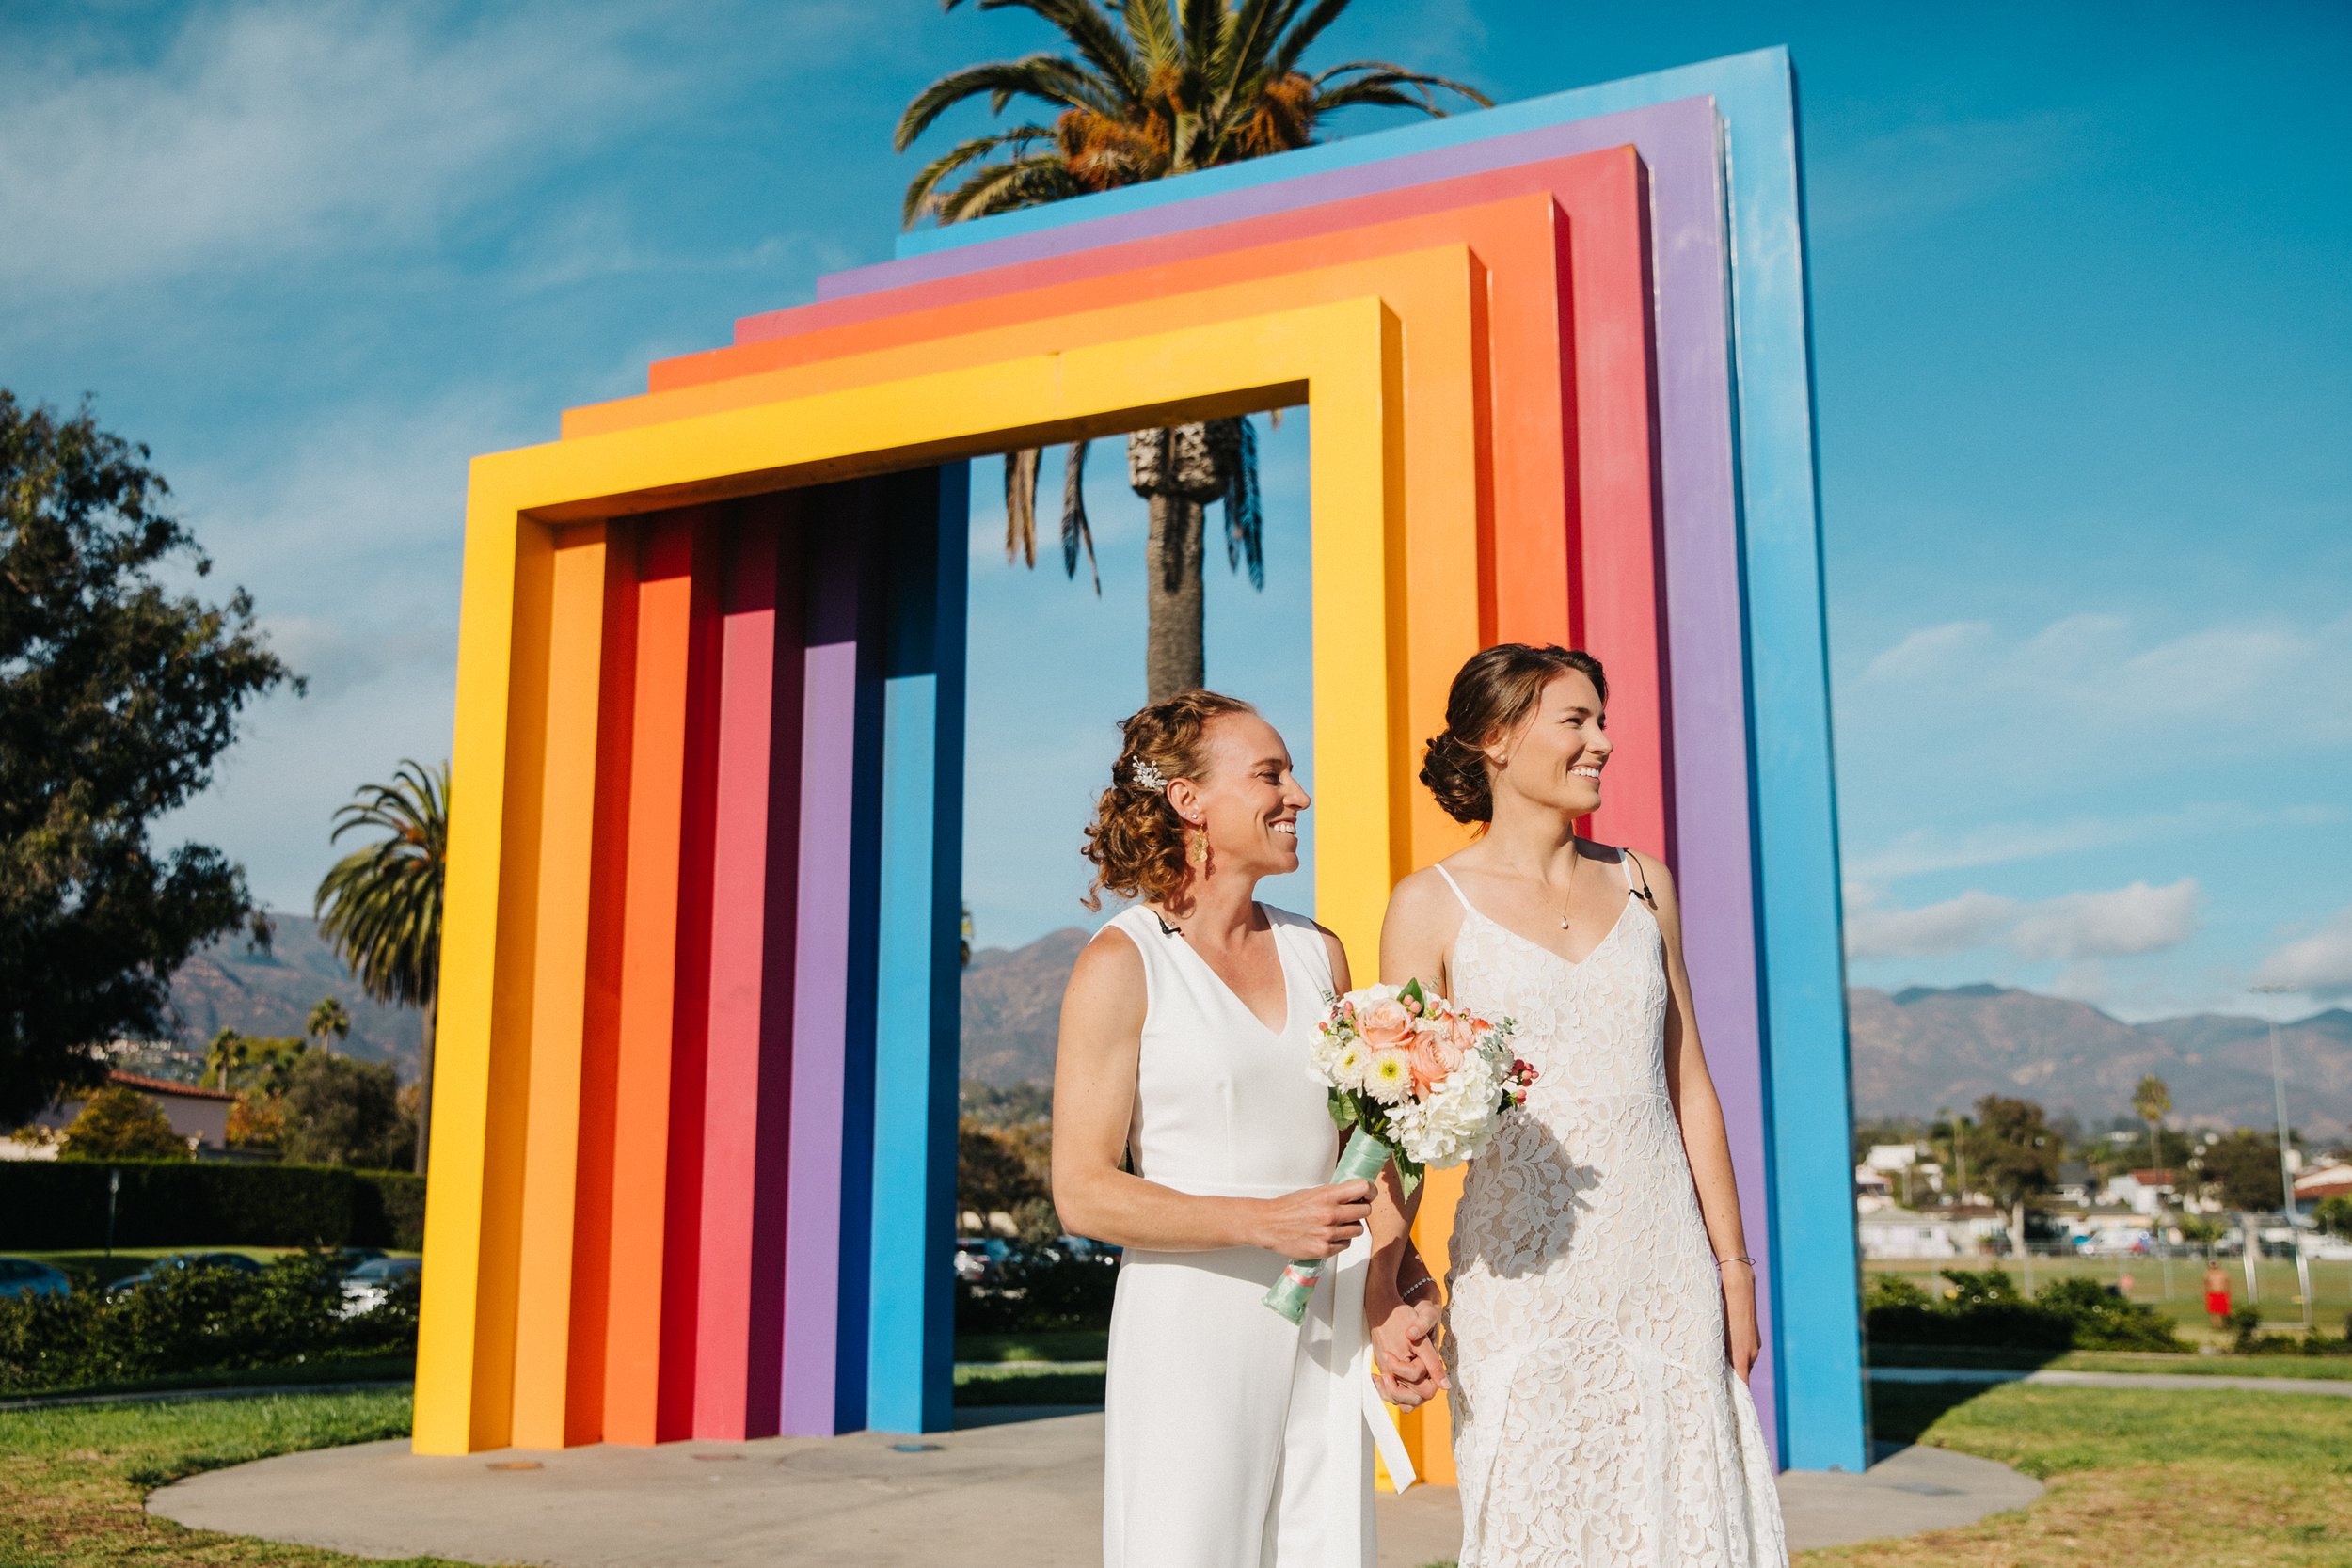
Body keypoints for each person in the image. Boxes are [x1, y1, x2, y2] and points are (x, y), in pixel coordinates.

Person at [1369, 643, 1787, 1567]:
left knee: (1679, 1522)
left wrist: (1733, 1267)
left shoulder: (1643, 882)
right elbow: (1398, 1122)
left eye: (1602, 719)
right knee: (1535, 1523)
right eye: (1577, 720)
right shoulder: (1427, 905)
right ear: (1496, 739)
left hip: (1663, 1264)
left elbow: (1689, 1084)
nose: (1603, 739)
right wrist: (1383, 1285)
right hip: (1518, 1275)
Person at [1053, 689, 1393, 1568]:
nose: (1299, 795)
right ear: (1189, 800)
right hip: (1191, 1329)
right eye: (1271, 774)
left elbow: (1372, 1145)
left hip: (1326, 1319)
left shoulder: (1322, 953)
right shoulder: (1123, 962)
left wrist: (1396, 1285)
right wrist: (1261, 1220)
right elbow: (1083, 1190)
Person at [2203, 1261, 2232, 1328]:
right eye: (2212, 1264)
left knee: (2225, 1312)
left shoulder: (2224, 1274)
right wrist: (2205, 1296)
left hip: (2223, 1294)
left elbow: (2228, 1284)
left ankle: (2225, 1325)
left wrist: (2229, 1294)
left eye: (2215, 1263)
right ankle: (2215, 1326)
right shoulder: (2207, 1275)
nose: (2213, 1265)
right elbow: (2205, 1286)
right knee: (2213, 1312)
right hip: (2212, 1294)